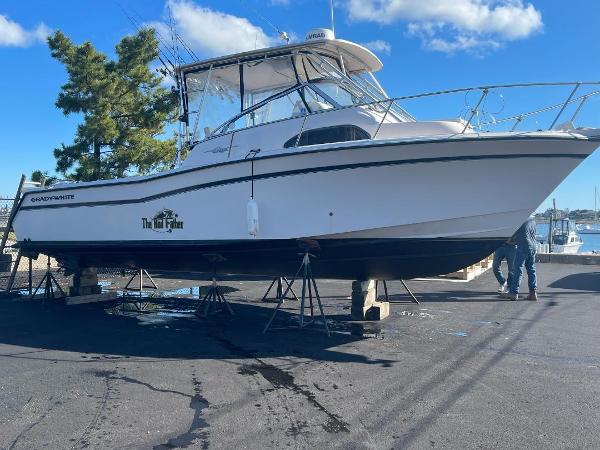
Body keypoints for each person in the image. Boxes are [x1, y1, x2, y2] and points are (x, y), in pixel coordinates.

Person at [502, 216, 538, 301]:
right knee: (531, 270)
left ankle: (514, 293)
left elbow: (513, 235)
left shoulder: (520, 218)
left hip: (523, 247)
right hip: (533, 246)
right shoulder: (532, 220)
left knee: (518, 269)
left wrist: (506, 241)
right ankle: (533, 293)